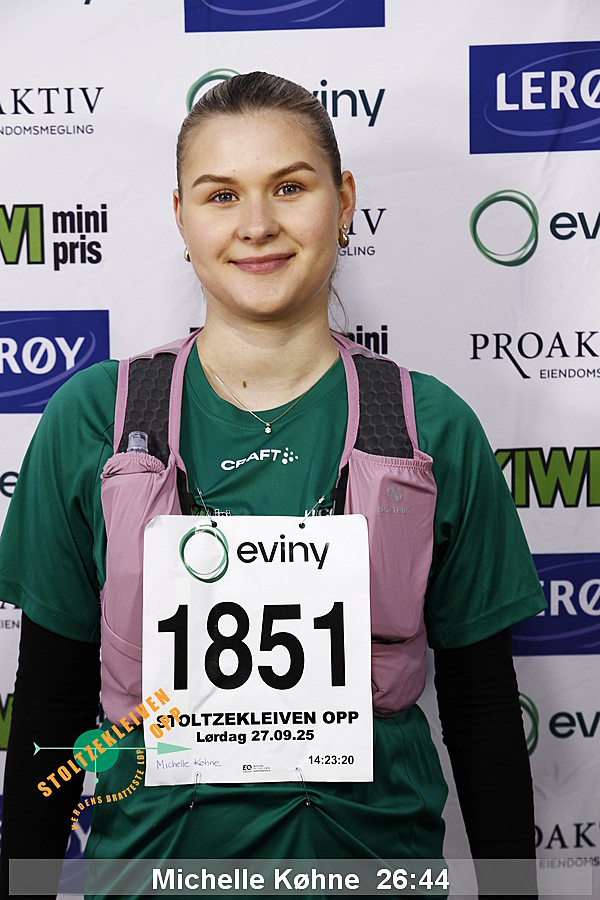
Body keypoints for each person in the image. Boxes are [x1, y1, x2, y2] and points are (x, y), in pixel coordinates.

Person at [0, 71, 545, 899]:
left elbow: (482, 709)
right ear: (181, 217)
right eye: (221, 195)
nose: (257, 224)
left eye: (289, 187)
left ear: (343, 200)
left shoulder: (432, 428)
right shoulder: (94, 420)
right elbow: (51, 697)